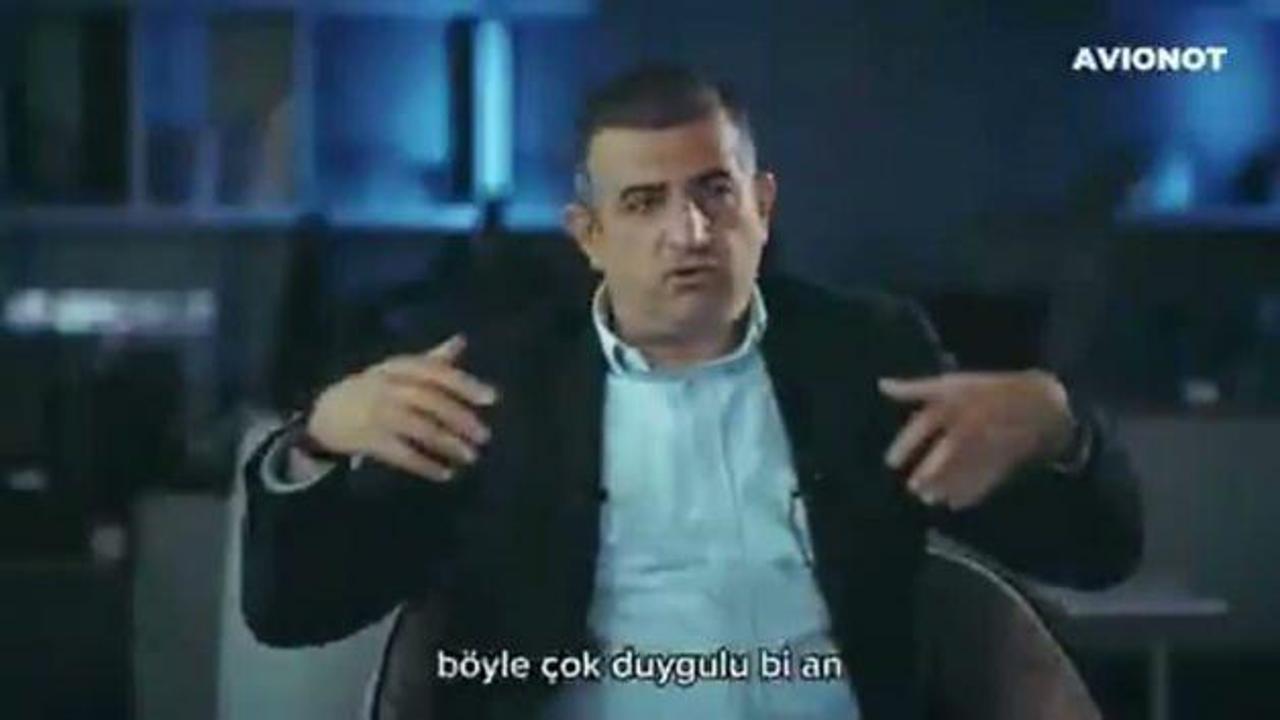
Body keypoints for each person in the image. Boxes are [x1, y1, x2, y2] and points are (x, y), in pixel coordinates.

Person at [239, 65, 1142, 720]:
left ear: (763, 206)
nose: (691, 233)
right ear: (589, 234)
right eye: (645, 204)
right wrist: (315, 441)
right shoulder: (497, 388)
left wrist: (1061, 431)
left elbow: (1094, 555)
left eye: (715, 192)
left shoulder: (863, 357)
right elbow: (295, 611)